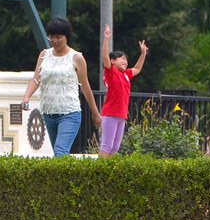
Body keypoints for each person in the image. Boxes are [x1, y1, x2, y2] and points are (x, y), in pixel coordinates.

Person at [20, 16, 102, 156]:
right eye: (52, 37)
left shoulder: (76, 58)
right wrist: (26, 97)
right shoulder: (44, 55)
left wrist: (95, 113)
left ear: (66, 37)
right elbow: (36, 79)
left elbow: (85, 86)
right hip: (49, 112)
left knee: (60, 151)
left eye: (59, 37)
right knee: (60, 154)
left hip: (70, 113)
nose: (55, 41)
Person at [98, 24, 148, 157]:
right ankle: (98, 171)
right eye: (122, 58)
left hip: (121, 114)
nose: (125, 61)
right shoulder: (111, 72)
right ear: (113, 61)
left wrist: (143, 54)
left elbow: (137, 69)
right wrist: (106, 39)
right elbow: (105, 58)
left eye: (126, 59)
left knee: (115, 147)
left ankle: (110, 172)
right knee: (107, 145)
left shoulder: (126, 74)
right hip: (110, 113)